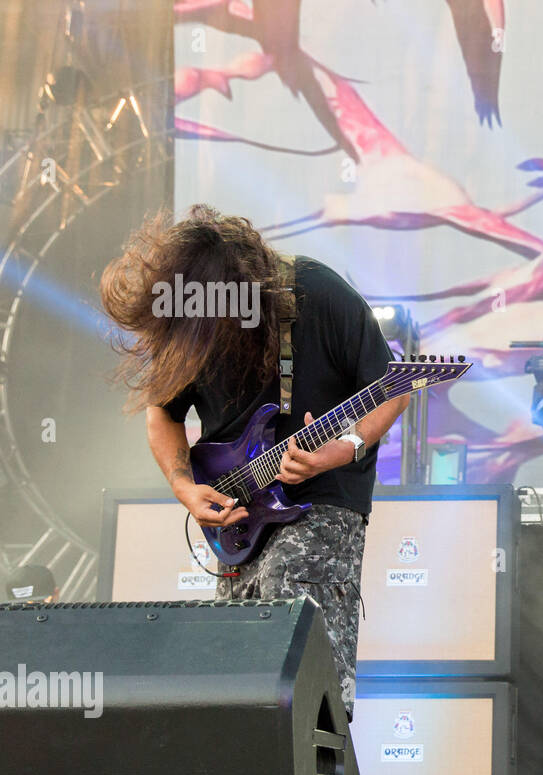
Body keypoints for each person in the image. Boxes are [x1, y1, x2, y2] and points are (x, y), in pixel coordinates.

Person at [101, 205, 409, 721]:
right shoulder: (188, 321)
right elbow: (162, 414)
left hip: (321, 501)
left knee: (296, 636)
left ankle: (318, 763)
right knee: (243, 671)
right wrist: (184, 486)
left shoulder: (317, 293)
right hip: (241, 510)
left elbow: (393, 390)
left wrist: (344, 447)